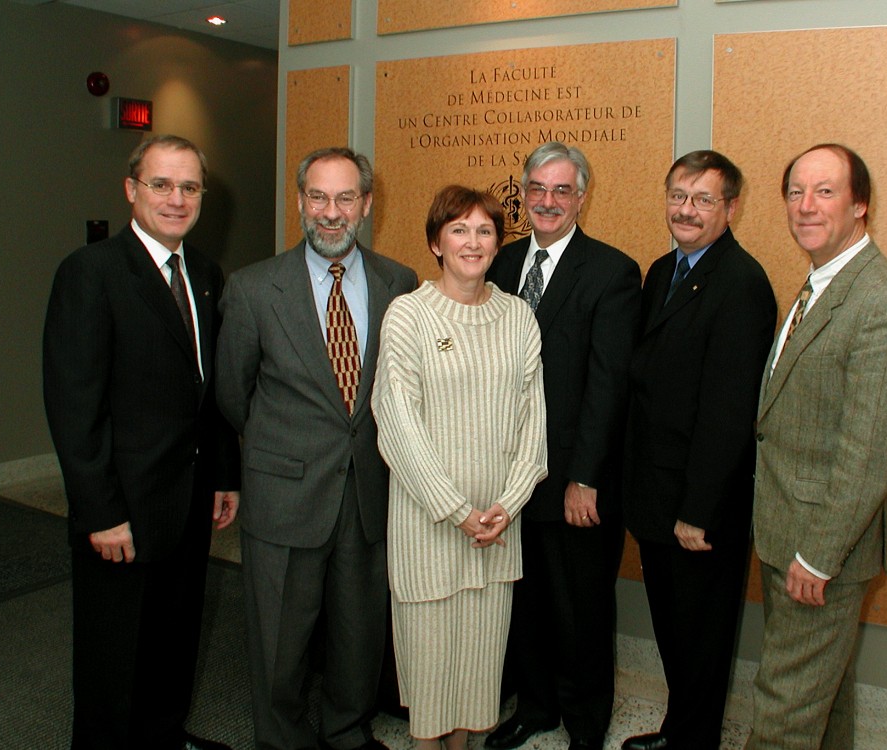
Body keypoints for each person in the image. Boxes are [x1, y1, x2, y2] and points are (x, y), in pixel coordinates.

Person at [43, 134, 241, 750]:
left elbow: (205, 392)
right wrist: (101, 512)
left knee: (172, 636)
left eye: (189, 186)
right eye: (161, 184)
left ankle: (162, 735)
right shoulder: (91, 272)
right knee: (113, 655)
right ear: (132, 190)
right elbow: (73, 407)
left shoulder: (205, 273)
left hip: (185, 501)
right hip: (121, 512)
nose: (176, 199)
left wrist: (224, 475)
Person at [216, 147, 417, 750]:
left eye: (345, 198)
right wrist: (287, 448)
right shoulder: (253, 288)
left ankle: (347, 730)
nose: (331, 213)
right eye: (319, 197)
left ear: (366, 205)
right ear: (300, 201)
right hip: (284, 496)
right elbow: (233, 393)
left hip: (367, 495)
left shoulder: (398, 283)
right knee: (279, 640)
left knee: (359, 634)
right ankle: (280, 740)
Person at [747, 144, 887, 750]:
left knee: (783, 710)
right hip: (789, 532)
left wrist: (820, 558)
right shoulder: (821, 284)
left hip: (821, 551)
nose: (805, 206)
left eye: (824, 191)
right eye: (796, 191)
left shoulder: (883, 305)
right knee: (824, 696)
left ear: (860, 206)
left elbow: (868, 454)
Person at [371, 184, 548, 750]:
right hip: (428, 528)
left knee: (479, 679)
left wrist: (508, 503)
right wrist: (455, 510)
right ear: (436, 243)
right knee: (429, 683)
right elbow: (396, 421)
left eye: (485, 231)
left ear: (499, 244)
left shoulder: (518, 316)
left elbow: (533, 425)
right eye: (459, 229)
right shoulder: (409, 314)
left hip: (496, 530)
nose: (473, 242)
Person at [485, 142, 642, 750]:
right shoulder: (499, 265)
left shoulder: (611, 271)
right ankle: (536, 705)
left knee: (581, 611)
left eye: (561, 190)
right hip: (509, 477)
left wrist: (587, 477)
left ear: (582, 197)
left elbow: (608, 385)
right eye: (537, 190)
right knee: (523, 602)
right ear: (523, 194)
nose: (547, 202)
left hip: (573, 480)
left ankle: (585, 723)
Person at [621, 150, 777, 750]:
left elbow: (729, 413)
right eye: (678, 196)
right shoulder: (664, 270)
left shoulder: (741, 284)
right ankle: (680, 729)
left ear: (731, 208)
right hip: (659, 494)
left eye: (703, 199)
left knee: (701, 636)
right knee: (675, 630)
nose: (687, 210)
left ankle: (693, 741)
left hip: (698, 508)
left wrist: (697, 510)